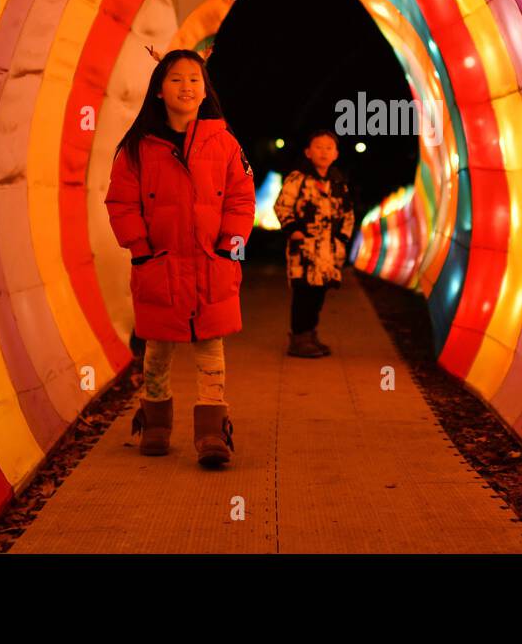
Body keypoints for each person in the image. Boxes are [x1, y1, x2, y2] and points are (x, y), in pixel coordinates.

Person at [104, 48, 256, 464]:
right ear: (157, 91)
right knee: (158, 348)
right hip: (160, 265)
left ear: (205, 90)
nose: (186, 86)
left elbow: (242, 198)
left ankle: (212, 434)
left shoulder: (224, 143)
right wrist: (141, 250)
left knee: (211, 348)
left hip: (212, 263)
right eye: (175, 79)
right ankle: (155, 423)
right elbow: (120, 202)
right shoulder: (138, 148)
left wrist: (230, 245)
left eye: (194, 79)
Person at [273, 130, 356, 358]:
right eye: (318, 147)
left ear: (336, 154)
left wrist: (342, 239)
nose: (324, 152)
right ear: (308, 152)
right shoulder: (298, 179)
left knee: (319, 294)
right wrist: (293, 231)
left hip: (329, 252)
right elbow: (282, 206)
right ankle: (299, 338)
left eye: (329, 147)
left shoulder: (339, 182)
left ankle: (310, 334)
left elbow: (348, 214)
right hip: (304, 251)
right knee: (303, 294)